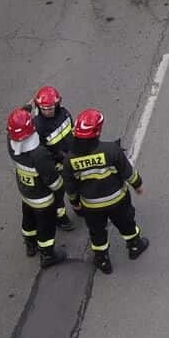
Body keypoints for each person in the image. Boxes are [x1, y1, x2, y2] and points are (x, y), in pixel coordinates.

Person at [63, 108, 150, 275]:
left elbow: (70, 185)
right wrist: (138, 185)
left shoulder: (70, 159)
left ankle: (103, 260)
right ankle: (134, 246)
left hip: (91, 206)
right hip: (117, 200)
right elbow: (128, 172)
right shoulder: (111, 150)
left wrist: (75, 203)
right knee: (126, 223)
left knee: (97, 232)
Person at [7, 107, 67, 268]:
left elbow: (14, 126)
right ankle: (47, 255)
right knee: (46, 227)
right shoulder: (39, 155)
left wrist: (25, 110)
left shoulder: (11, 144)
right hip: (43, 199)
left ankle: (30, 244)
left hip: (26, 193)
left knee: (28, 219)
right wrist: (60, 192)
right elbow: (53, 180)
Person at [25, 85, 76, 229]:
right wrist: (60, 158)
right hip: (55, 165)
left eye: (51, 107)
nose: (48, 111)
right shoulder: (38, 126)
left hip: (70, 157)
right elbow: (41, 152)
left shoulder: (64, 114)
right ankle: (61, 219)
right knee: (58, 193)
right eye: (44, 108)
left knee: (76, 185)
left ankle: (78, 207)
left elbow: (72, 133)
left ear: (58, 103)